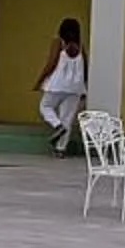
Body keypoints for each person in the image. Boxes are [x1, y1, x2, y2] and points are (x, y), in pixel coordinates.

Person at [36, 17, 90, 151]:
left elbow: (51, 63)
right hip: (75, 88)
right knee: (67, 117)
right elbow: (86, 67)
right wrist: (84, 87)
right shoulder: (80, 46)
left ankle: (57, 126)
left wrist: (40, 80)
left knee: (45, 107)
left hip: (57, 84)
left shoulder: (58, 42)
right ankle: (61, 148)